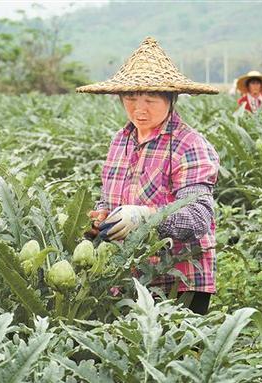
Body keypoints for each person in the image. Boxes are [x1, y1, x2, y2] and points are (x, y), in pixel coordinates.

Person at [76, 37, 220, 315]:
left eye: (150, 99)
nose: (139, 108)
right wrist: (100, 218)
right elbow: (108, 198)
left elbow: (198, 218)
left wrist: (145, 218)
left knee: (177, 357)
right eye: (130, 98)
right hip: (126, 279)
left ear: (171, 99)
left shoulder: (190, 145)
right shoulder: (121, 139)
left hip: (178, 281)